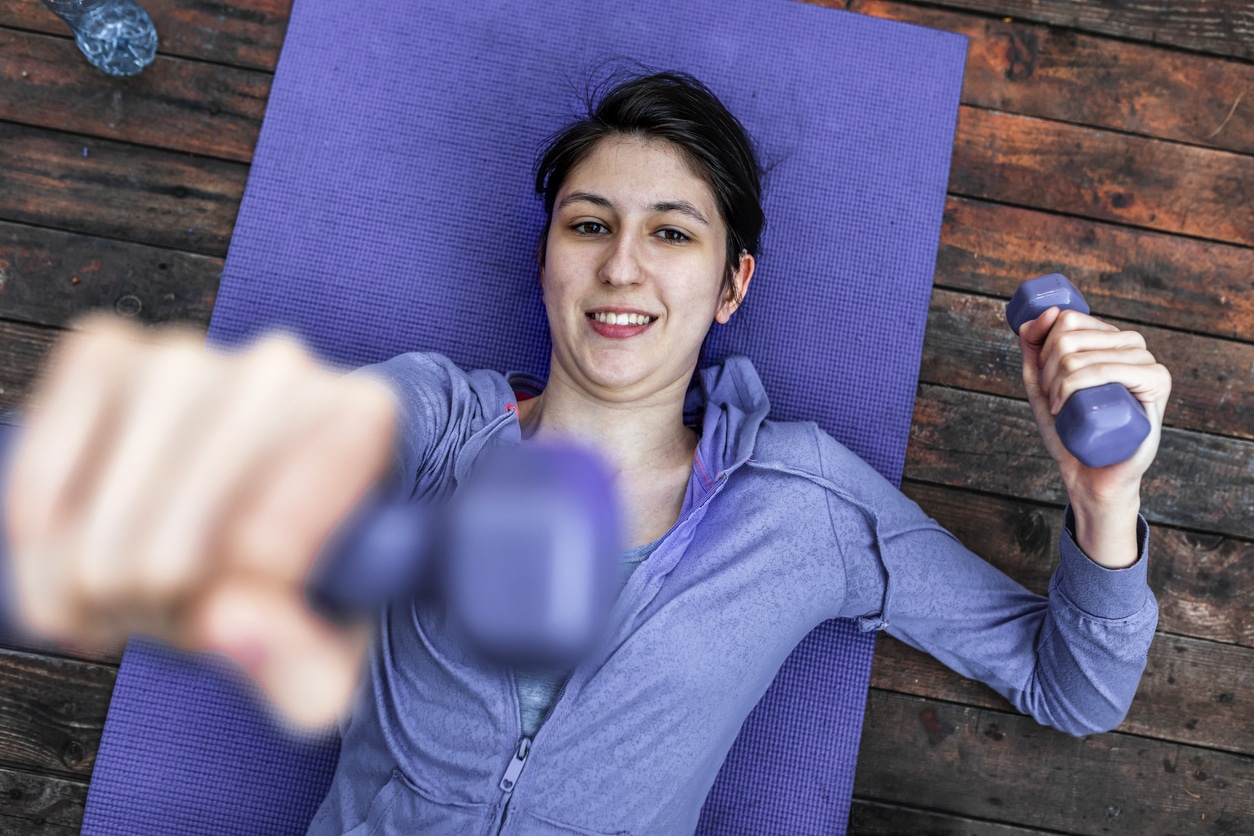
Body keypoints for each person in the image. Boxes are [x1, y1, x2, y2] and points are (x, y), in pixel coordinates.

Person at [3, 72, 1171, 834]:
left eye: (672, 232)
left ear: (732, 284)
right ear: (547, 259)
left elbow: (1072, 686)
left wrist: (1102, 493)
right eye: (589, 223)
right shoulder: (432, 422)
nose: (623, 265)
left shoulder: (805, 506)